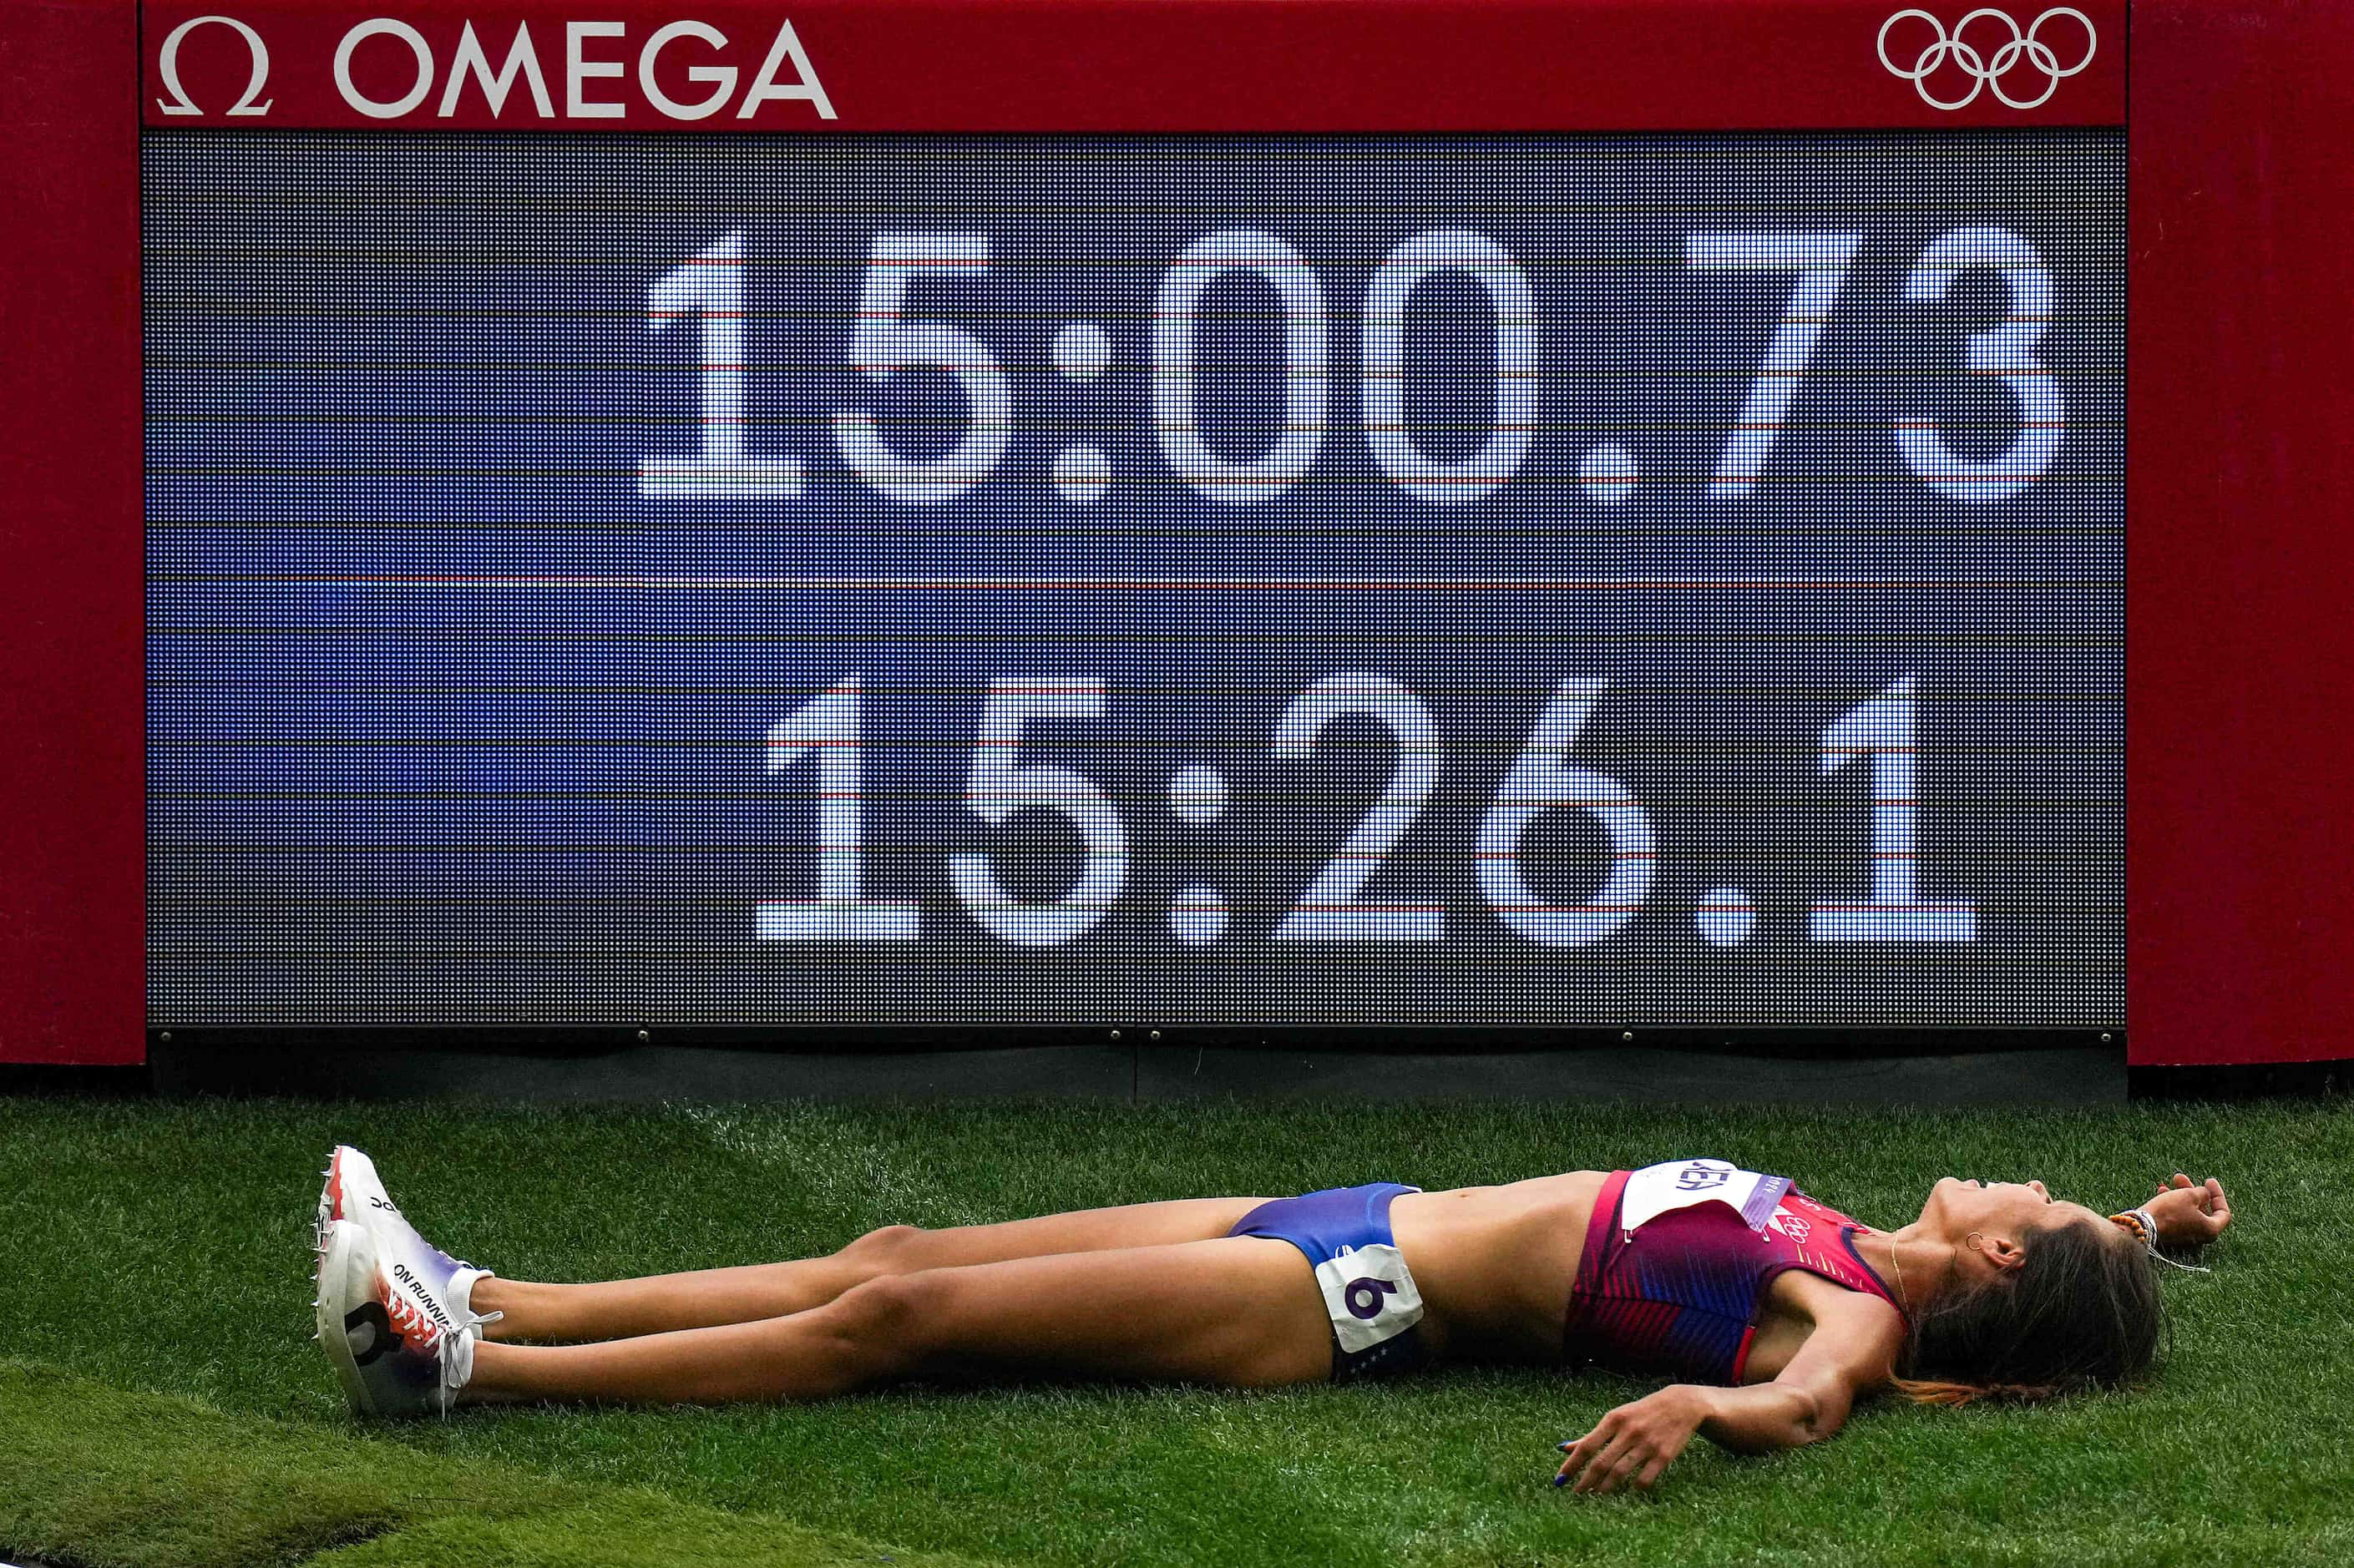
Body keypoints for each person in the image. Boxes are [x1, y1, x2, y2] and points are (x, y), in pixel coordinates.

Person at [311, 1147, 2230, 1493]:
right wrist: (2142, 1230)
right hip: (1336, 1209)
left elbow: (1817, 1395)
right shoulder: (1872, 1241)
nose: (2013, 1180)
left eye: (2040, 1208)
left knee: (903, 1315)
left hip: (1336, 1299)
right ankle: (485, 1281)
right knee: (903, 1241)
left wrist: (1713, 1421)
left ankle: (466, 1368)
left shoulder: (1849, 1312)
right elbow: (2042, 1294)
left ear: (1993, 1271)